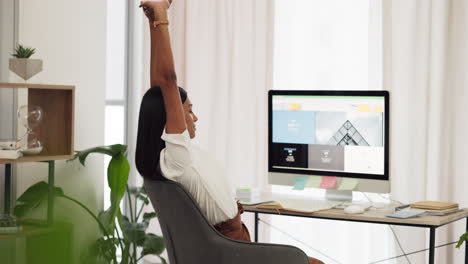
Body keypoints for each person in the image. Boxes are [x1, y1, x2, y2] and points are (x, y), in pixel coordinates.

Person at [135, 1, 324, 263]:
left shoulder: (165, 160)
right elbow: (167, 81)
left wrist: (153, 23)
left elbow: (159, 86)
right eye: (188, 111)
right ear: (170, 119)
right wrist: (164, 17)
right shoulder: (177, 160)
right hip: (231, 249)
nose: (194, 116)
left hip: (228, 247)